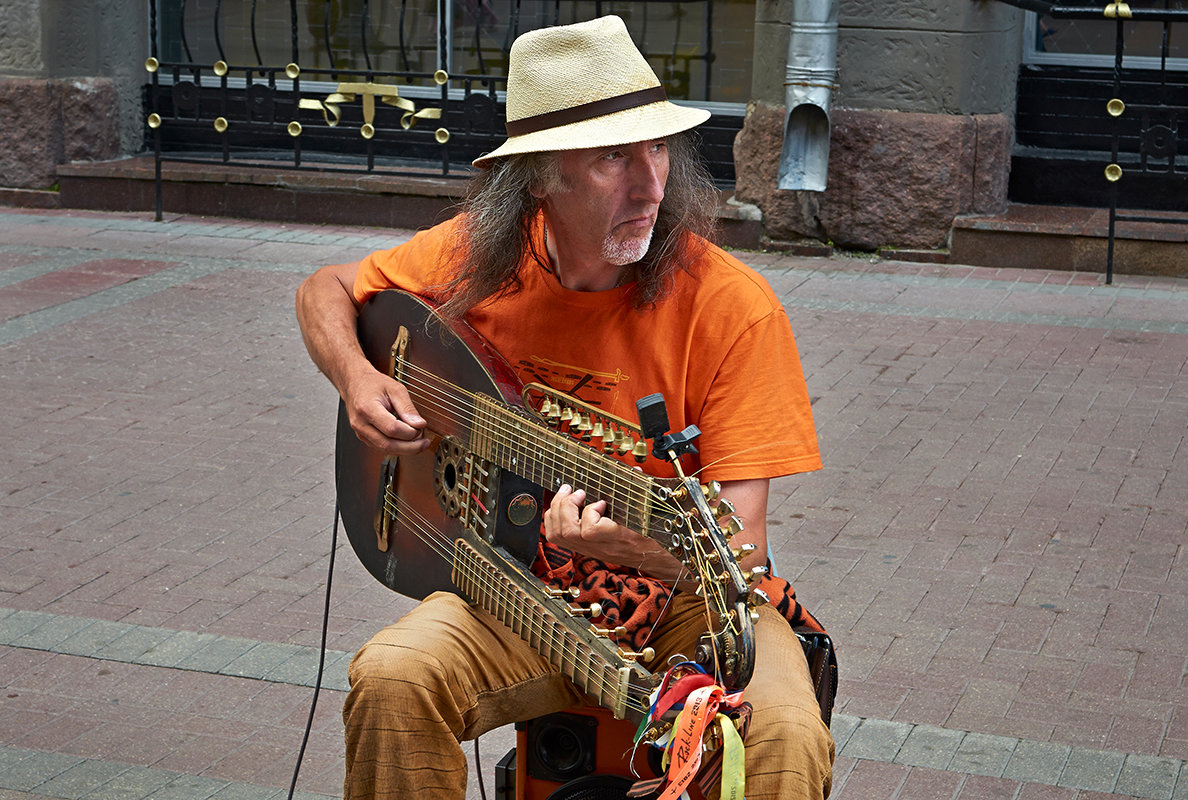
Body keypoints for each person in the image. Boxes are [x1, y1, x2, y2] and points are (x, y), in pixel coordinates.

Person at [296, 15, 835, 800]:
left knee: (784, 733)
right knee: (392, 677)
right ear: (541, 177)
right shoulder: (484, 257)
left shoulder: (732, 308)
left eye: (657, 150)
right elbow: (327, 288)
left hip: (694, 603)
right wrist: (355, 377)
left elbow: (742, 552)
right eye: (614, 156)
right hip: (518, 582)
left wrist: (632, 547)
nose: (650, 184)